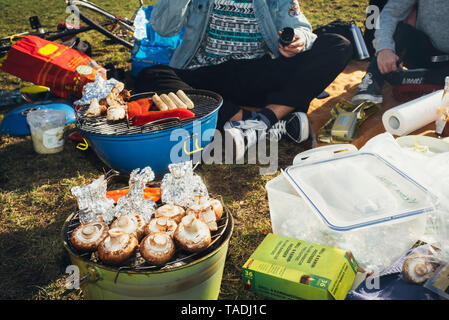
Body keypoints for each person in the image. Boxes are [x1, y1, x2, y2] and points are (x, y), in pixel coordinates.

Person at [136, 0, 353, 159]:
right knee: (151, 76)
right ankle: (271, 122)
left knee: (338, 45)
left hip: (257, 73)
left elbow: (302, 29)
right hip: (206, 75)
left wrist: (299, 40)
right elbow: (162, 28)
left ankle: (257, 121)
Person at [352, 0, 449, 105]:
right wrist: (385, 49)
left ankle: (407, 78)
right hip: (423, 50)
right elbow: (390, 13)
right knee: (401, 30)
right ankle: (373, 80)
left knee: (444, 77)